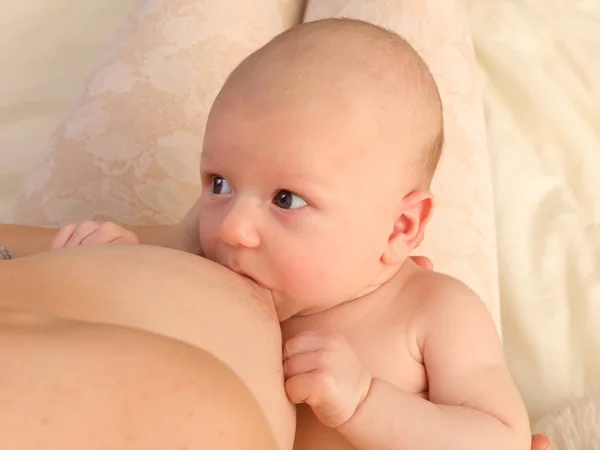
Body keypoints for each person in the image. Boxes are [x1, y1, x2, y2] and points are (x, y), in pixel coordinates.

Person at [45, 19, 544, 450]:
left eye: (287, 199)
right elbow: (148, 307)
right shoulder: (210, 260)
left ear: (400, 227)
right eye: (219, 184)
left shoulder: (433, 312)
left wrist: (365, 401)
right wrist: (106, 269)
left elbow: (500, 438)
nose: (233, 229)